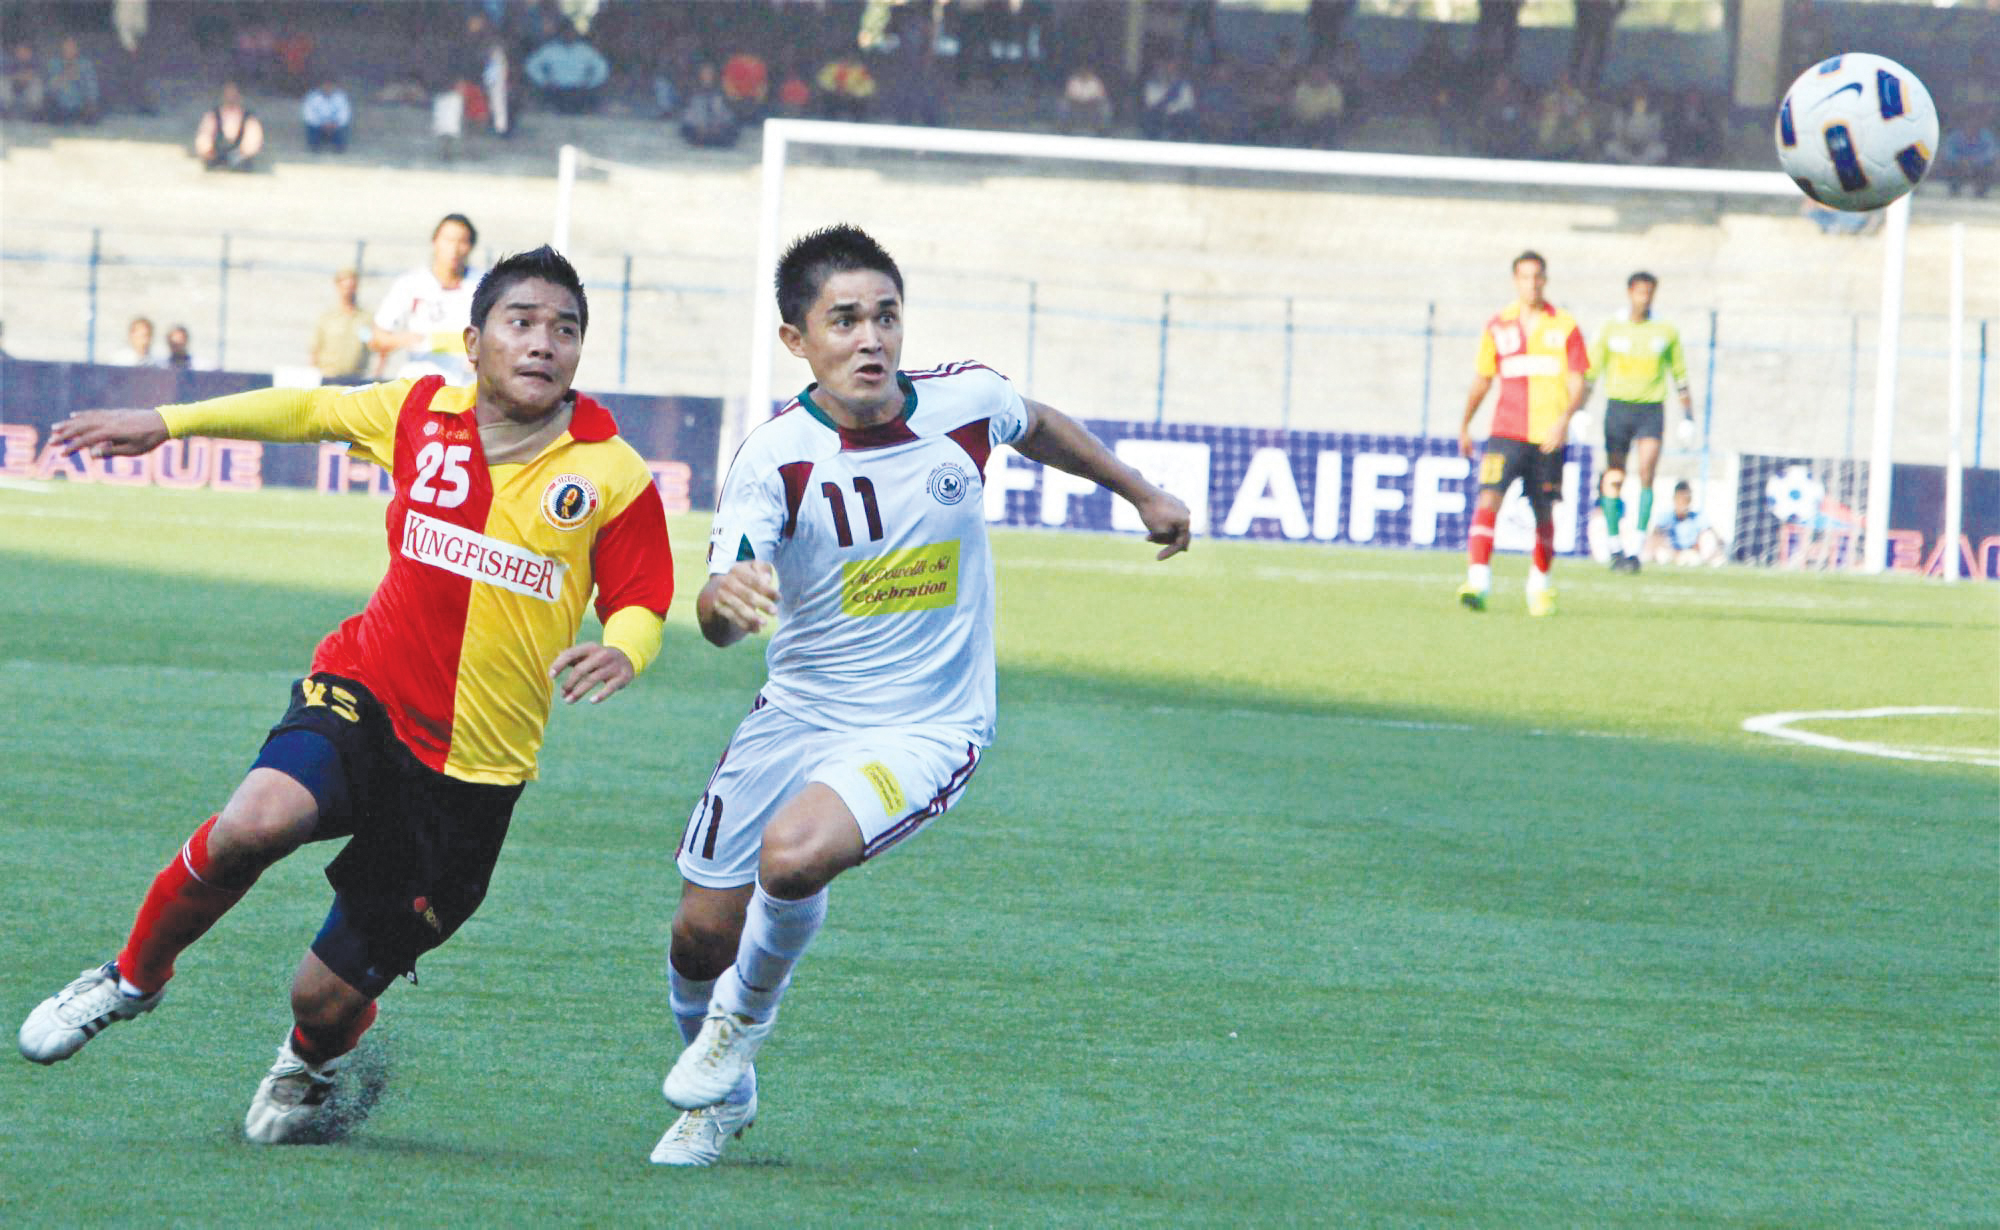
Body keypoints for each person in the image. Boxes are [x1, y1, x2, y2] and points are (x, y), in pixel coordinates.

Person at [19, 246, 676, 1145]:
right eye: (521, 323)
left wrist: (628, 651)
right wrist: (168, 422)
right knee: (256, 820)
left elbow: (641, 597)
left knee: (320, 996)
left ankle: (313, 1059)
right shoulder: (417, 410)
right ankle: (131, 979)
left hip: (471, 774)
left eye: (565, 330)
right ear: (476, 340)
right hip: (364, 692)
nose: (543, 344)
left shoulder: (611, 472)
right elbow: (306, 408)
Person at [648, 224, 1191, 1166]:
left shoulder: (963, 403)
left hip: (927, 723)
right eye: (844, 320)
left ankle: (741, 1026)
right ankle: (722, 1095)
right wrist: (723, 604)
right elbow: (720, 607)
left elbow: (1038, 422)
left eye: (885, 317)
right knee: (699, 934)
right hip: (800, 712)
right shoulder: (771, 459)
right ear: (797, 342)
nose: (871, 339)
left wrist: (1138, 491)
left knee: (792, 856)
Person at [1457, 250, 1589, 617]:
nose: (1532, 283)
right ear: (1515, 280)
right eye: (1525, 276)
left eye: (1537, 276)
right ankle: (1478, 582)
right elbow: (1483, 379)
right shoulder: (1498, 325)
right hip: (1505, 432)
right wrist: (1465, 423)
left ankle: (1540, 588)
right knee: (1488, 500)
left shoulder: (1565, 326)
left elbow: (1579, 381)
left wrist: (1564, 420)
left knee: (1544, 511)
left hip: (1547, 435)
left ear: (1545, 280)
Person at [1586, 271, 1693, 572]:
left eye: (1649, 293)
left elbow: (1680, 375)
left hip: (1651, 409)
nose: (1644, 298)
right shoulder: (1611, 327)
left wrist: (1688, 416)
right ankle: (1613, 543)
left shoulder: (1665, 330)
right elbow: (1592, 372)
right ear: (1630, 292)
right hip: (1618, 408)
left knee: (1646, 472)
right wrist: (1580, 409)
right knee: (1615, 475)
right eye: (1640, 292)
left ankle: (1635, 547)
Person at [372, 213, 482, 383]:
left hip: (466, 388)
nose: (454, 248)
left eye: (462, 241)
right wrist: (404, 339)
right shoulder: (410, 283)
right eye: (448, 240)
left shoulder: (483, 285)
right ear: (435, 242)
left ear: (470, 246)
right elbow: (377, 338)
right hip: (418, 386)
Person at [524, 23, 609, 115]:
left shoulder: (585, 50)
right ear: (561, 33)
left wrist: (591, 82)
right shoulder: (550, 49)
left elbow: (602, 67)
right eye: (566, 32)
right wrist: (544, 81)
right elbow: (531, 65)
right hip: (557, 89)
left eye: (571, 32)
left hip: (579, 90)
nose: (569, 35)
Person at [310, 267, 373, 382]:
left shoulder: (365, 319)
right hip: (329, 378)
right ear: (338, 287)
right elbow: (315, 349)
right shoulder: (327, 318)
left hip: (355, 379)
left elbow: (372, 345)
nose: (348, 291)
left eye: (352, 287)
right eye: (345, 287)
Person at [1643, 480, 1723, 566]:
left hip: (1691, 553)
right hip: (1671, 553)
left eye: (1686, 499)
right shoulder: (1665, 517)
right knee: (1660, 554)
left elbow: (1711, 535)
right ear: (1674, 499)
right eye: (1680, 499)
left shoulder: (1698, 517)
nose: (1683, 503)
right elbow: (1655, 536)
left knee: (1707, 537)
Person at [195, 82, 265, 172]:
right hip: (217, 154)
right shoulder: (213, 115)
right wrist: (207, 149)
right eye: (228, 95)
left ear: (240, 97)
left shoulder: (249, 118)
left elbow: (254, 139)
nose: (230, 98)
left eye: (234, 95)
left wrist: (243, 152)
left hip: (240, 156)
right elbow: (204, 136)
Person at [679, 61, 739, 148]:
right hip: (698, 128)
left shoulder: (722, 92)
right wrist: (699, 126)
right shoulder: (692, 91)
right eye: (704, 73)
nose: (707, 76)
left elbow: (727, 112)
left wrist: (718, 125)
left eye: (709, 73)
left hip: (718, 129)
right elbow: (688, 113)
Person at [45, 36, 100, 125]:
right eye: (66, 46)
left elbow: (92, 89)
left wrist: (78, 78)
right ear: (61, 48)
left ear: (77, 49)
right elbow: (49, 89)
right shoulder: (54, 64)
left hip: (80, 107)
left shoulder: (85, 65)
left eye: (72, 47)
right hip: (59, 108)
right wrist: (65, 76)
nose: (69, 50)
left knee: (91, 114)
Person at [1057, 63, 1113, 135]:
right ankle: (1063, 128)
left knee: (1105, 107)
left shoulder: (1095, 81)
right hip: (1075, 105)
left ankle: (1103, 130)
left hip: (1092, 106)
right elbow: (1068, 95)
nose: (1085, 73)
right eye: (1083, 71)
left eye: (1087, 71)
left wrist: (1091, 100)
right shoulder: (1074, 80)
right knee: (1063, 104)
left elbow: (1101, 96)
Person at [302, 78, 353, 153]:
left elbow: (345, 114)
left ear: (334, 86)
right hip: (318, 124)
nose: (327, 88)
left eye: (330, 86)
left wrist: (335, 124)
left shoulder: (341, 97)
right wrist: (322, 124)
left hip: (335, 125)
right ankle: (314, 147)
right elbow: (308, 114)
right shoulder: (312, 97)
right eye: (325, 85)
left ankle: (339, 148)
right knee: (311, 127)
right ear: (320, 86)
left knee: (343, 128)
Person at [0, 41, 46, 121]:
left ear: (30, 52)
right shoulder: (11, 61)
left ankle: (34, 112)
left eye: (24, 51)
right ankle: (5, 111)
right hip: (14, 88)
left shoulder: (36, 61)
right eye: (19, 51)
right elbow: (6, 74)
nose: (22, 53)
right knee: (3, 82)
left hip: (29, 89)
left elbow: (40, 75)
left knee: (37, 84)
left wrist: (28, 77)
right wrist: (18, 77)